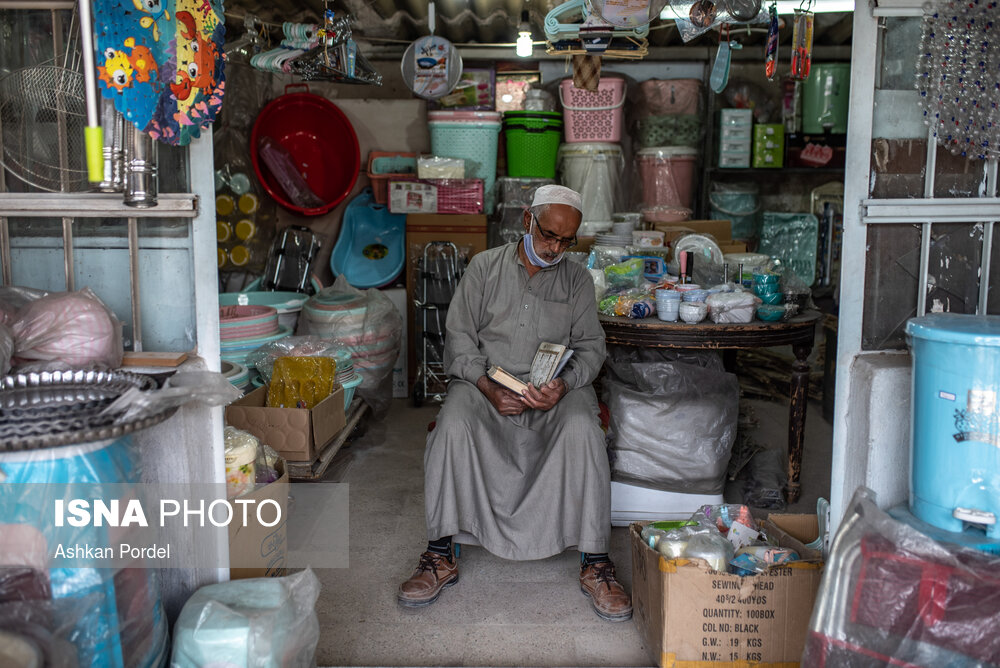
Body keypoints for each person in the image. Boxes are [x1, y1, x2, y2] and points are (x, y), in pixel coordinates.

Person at [397, 185, 631, 622]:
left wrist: (562, 386)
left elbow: (591, 348)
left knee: (584, 428)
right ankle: (439, 553)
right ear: (527, 220)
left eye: (567, 240)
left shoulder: (577, 279)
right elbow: (460, 341)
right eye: (548, 235)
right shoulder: (485, 267)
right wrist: (488, 388)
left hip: (552, 391)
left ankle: (595, 561)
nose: (555, 247)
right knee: (453, 424)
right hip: (487, 386)